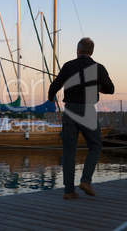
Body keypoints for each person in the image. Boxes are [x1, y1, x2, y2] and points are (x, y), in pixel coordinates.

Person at [48, 37, 114, 200]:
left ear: (78, 51)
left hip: (70, 110)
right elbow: (111, 89)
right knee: (95, 145)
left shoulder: (68, 66)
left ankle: (68, 191)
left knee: (69, 152)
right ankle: (86, 180)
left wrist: (50, 98)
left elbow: (54, 86)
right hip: (87, 110)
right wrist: (100, 87)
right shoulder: (98, 67)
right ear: (91, 52)